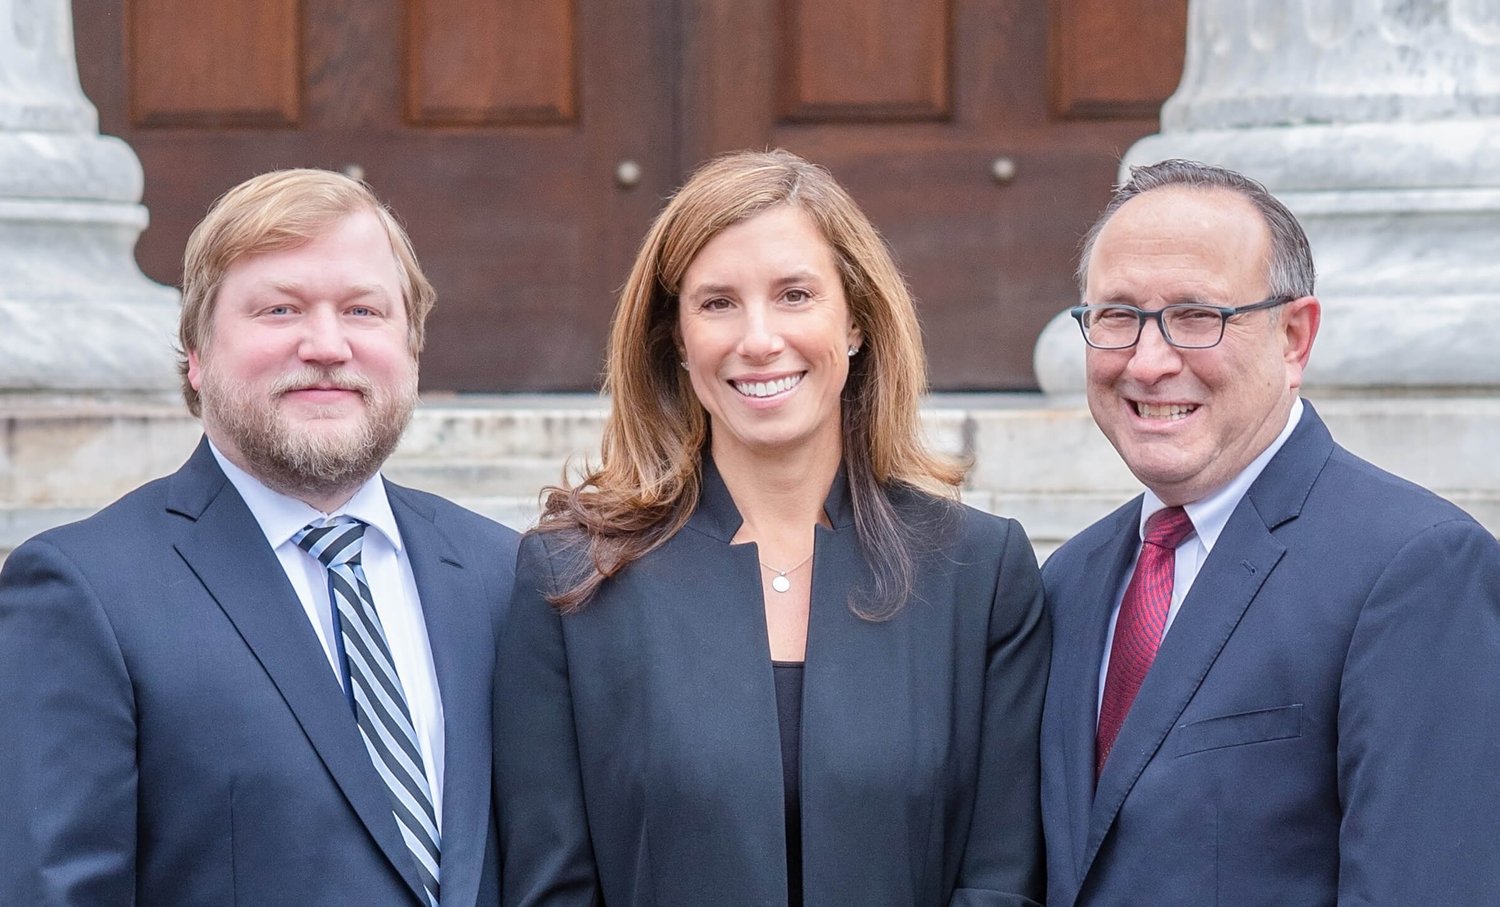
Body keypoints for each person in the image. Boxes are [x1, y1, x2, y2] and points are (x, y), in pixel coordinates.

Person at [494, 149, 1049, 906]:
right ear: (677, 340)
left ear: (854, 320)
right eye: (717, 302)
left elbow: (1002, 880)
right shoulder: (572, 580)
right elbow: (552, 887)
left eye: (794, 295)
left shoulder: (980, 574)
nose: (758, 339)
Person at [0, 169, 518, 906]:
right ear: (196, 354)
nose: (327, 344)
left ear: (412, 347)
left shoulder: (501, 573)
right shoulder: (84, 593)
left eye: (364, 310)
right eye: (279, 309)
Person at [1039, 158, 1500, 905]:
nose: (1149, 362)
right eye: (1118, 316)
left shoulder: (1417, 569)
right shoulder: (1070, 578)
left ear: (1294, 337)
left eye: (1197, 316)